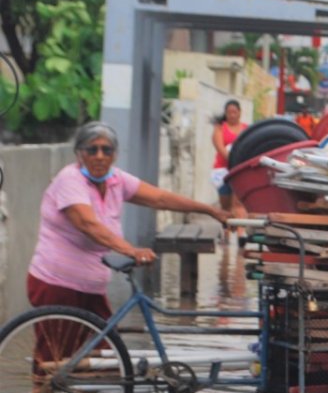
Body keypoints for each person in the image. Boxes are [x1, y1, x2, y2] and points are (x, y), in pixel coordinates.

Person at [28, 121, 232, 318]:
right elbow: (88, 224)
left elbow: (160, 198)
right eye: (92, 150)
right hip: (58, 282)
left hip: (92, 288)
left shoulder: (116, 179)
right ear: (79, 154)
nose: (100, 156)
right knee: (56, 353)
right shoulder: (70, 180)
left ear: (114, 155)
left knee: (103, 351)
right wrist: (131, 250)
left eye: (106, 150)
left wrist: (209, 210)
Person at [211, 99, 248, 210]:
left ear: (240, 112)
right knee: (225, 205)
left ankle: (238, 226)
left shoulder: (246, 129)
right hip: (222, 171)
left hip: (240, 171)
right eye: (229, 112)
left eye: (234, 112)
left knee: (238, 203)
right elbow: (220, 148)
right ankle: (227, 225)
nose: (232, 115)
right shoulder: (220, 128)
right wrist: (234, 160)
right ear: (225, 113)